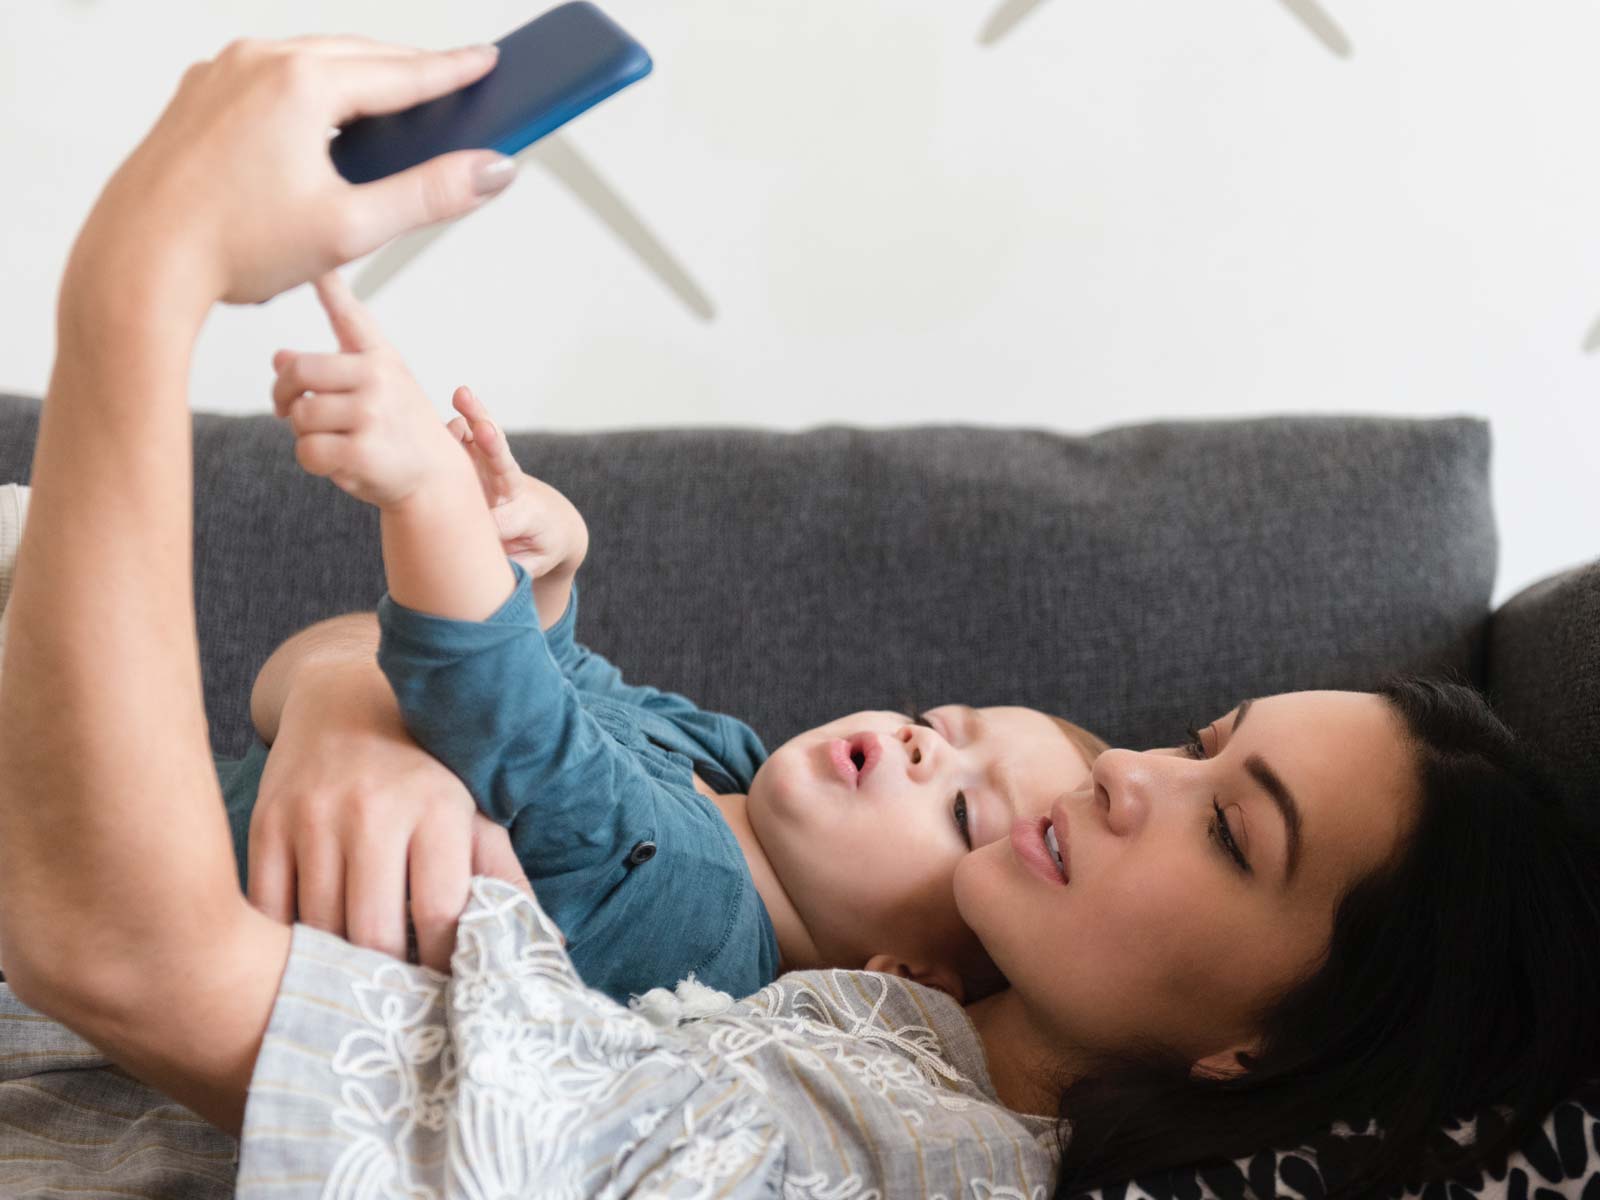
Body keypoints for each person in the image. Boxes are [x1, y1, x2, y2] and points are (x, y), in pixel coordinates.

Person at [0, 34, 1596, 1200]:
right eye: (1197, 743)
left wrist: (146, 268)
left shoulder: (843, 1145)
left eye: (1236, 836)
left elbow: (117, 948)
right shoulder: (870, 983)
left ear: (1260, 1058)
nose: (1128, 777)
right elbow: (473, 703)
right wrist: (371, 710)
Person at [211, 279, 1108, 1006]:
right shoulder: (724, 760)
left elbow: (509, 717)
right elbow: (564, 680)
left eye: (961, 813)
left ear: (904, 976)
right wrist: (552, 563)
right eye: (942, 725)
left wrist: (429, 493)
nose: (925, 748)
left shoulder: (694, 920)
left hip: (175, 909)